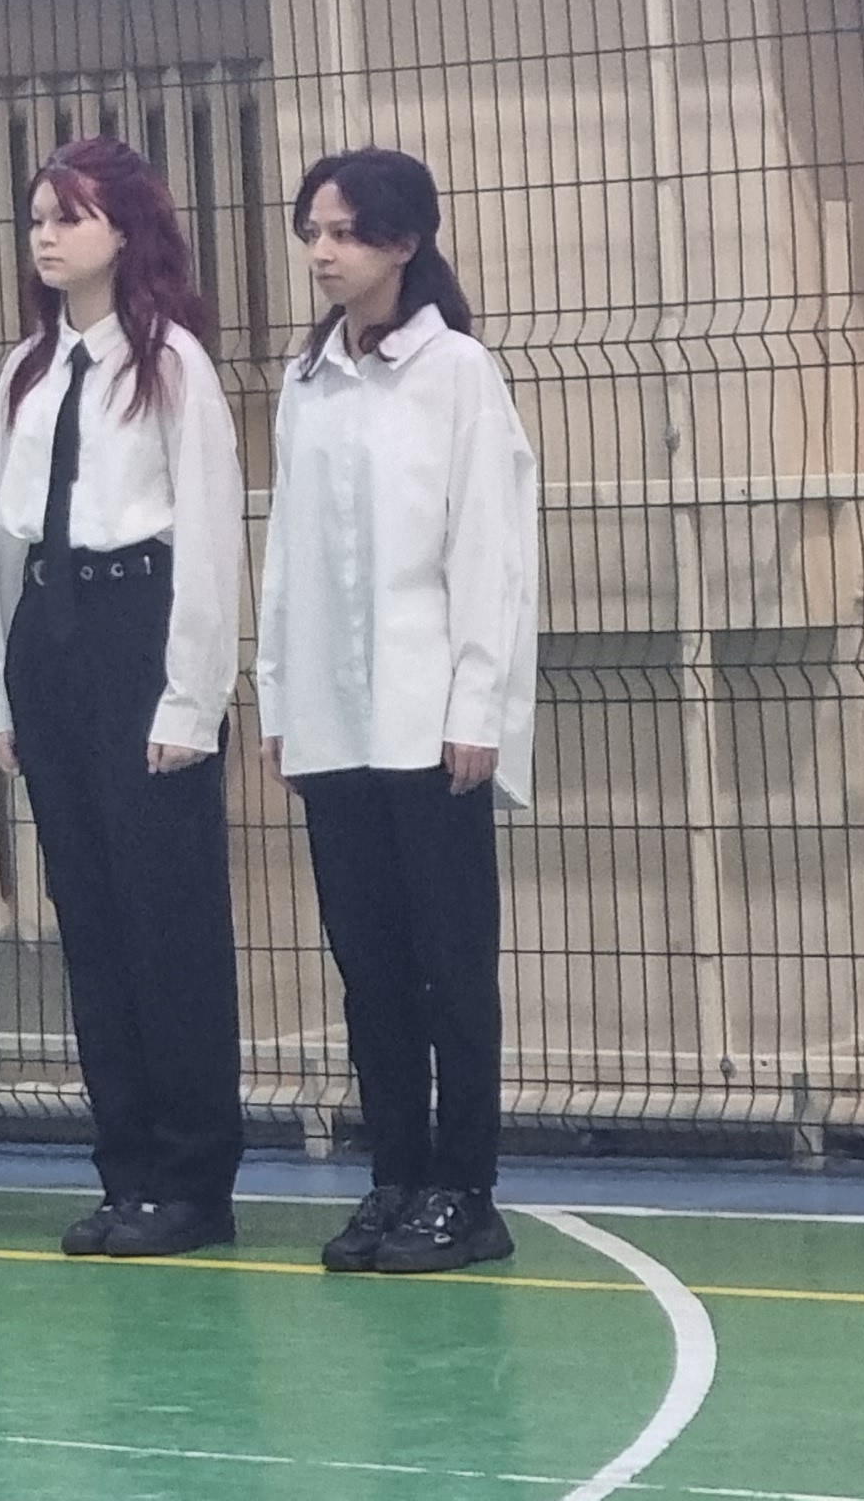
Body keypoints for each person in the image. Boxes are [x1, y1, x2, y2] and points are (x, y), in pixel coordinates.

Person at [258, 147, 540, 1274]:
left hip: (431, 722)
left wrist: (478, 705)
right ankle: (394, 1176)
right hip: (334, 720)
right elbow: (287, 554)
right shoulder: (307, 380)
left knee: (451, 968)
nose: (323, 254)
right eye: (312, 233)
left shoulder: (458, 372)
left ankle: (464, 1191)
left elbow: (490, 550)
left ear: (405, 242)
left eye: (345, 233)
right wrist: (282, 693)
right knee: (366, 965)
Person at [0, 136, 248, 1259]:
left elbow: (210, 535)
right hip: (51, 634)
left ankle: (192, 1180)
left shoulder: (170, 363)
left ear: (128, 230)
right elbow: (5, 538)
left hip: (141, 625)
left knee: (166, 922)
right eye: (39, 217)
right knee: (91, 922)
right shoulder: (28, 368)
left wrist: (191, 698)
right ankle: (126, 1167)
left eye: (72, 216)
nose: (46, 236)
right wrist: (6, 695)